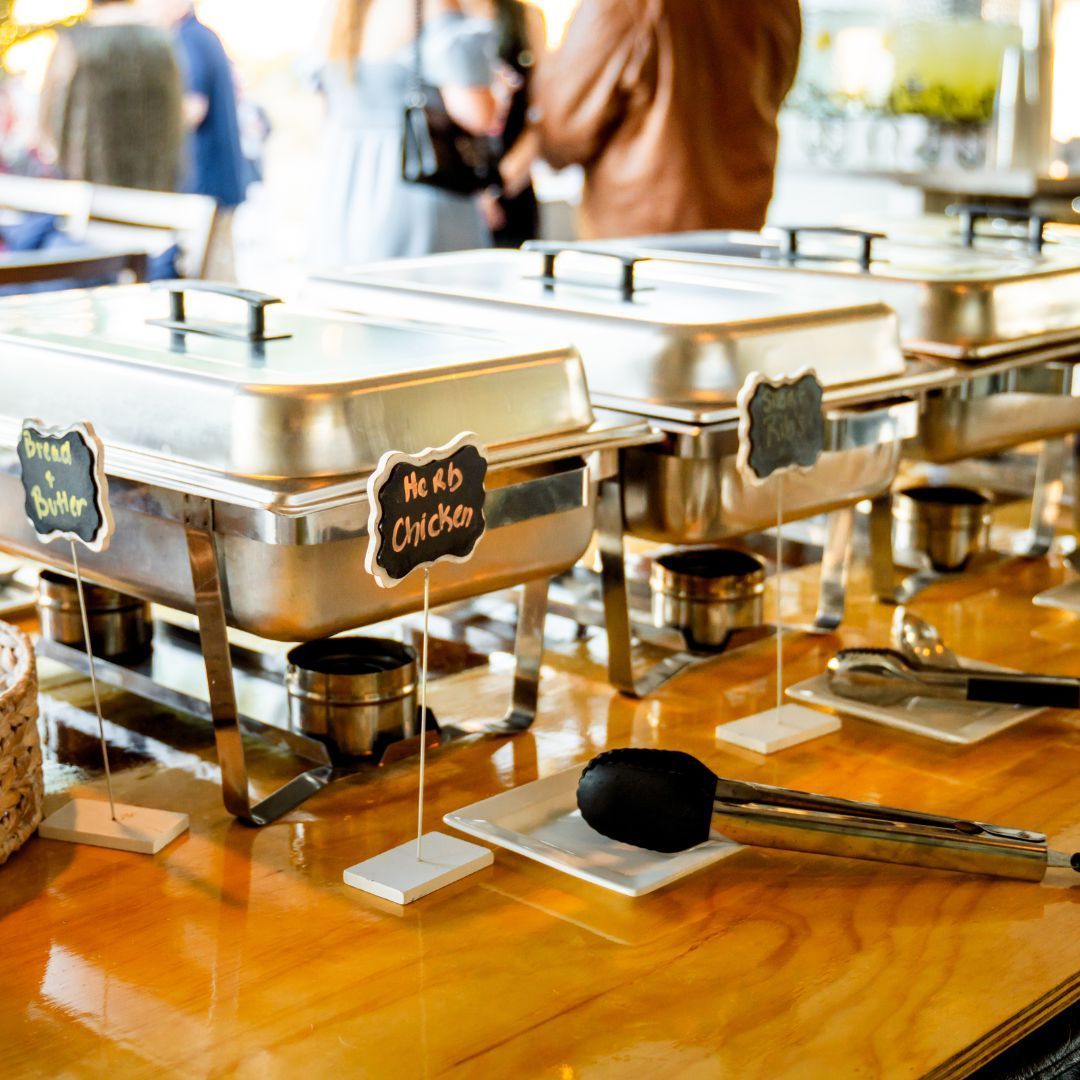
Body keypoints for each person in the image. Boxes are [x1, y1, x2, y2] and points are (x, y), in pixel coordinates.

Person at [534, 1, 802, 239]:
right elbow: (779, 87)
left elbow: (561, 131)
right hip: (740, 230)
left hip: (639, 250)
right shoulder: (780, 5)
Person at [311, 0, 505, 268]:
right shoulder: (432, 5)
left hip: (344, 192)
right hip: (414, 185)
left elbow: (324, 112)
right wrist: (500, 93)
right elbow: (477, 113)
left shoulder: (340, 10)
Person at [38, 0, 183, 192]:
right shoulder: (164, 42)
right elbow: (179, 121)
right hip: (156, 200)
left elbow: (49, 127)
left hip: (91, 202)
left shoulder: (74, 44)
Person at [158, 0, 250, 281]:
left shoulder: (189, 39)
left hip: (207, 182)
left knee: (213, 279)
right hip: (216, 180)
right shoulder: (202, 37)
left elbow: (193, 108)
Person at [463, 0, 545, 248]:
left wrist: (498, 184)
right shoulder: (440, 16)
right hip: (457, 189)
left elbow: (543, 113)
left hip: (514, 185)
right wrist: (475, 193)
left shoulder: (526, 18)